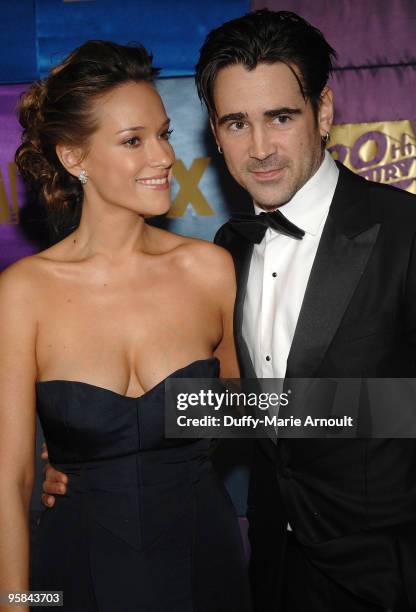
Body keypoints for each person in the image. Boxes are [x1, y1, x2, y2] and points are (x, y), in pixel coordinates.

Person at [0, 40, 251, 612]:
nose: (163, 156)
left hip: (202, 557)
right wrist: (16, 603)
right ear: (75, 158)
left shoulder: (209, 269)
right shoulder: (22, 293)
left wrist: (387, 409)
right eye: (134, 140)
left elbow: (259, 412)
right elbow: (8, 487)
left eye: (163, 133)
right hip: (70, 571)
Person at [194, 9, 416, 612]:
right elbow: (237, 409)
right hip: (271, 568)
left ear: (322, 112)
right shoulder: (227, 248)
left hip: (387, 574)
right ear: (214, 134)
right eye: (236, 123)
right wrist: (104, 453)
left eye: (281, 118)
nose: (259, 148)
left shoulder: (403, 231)